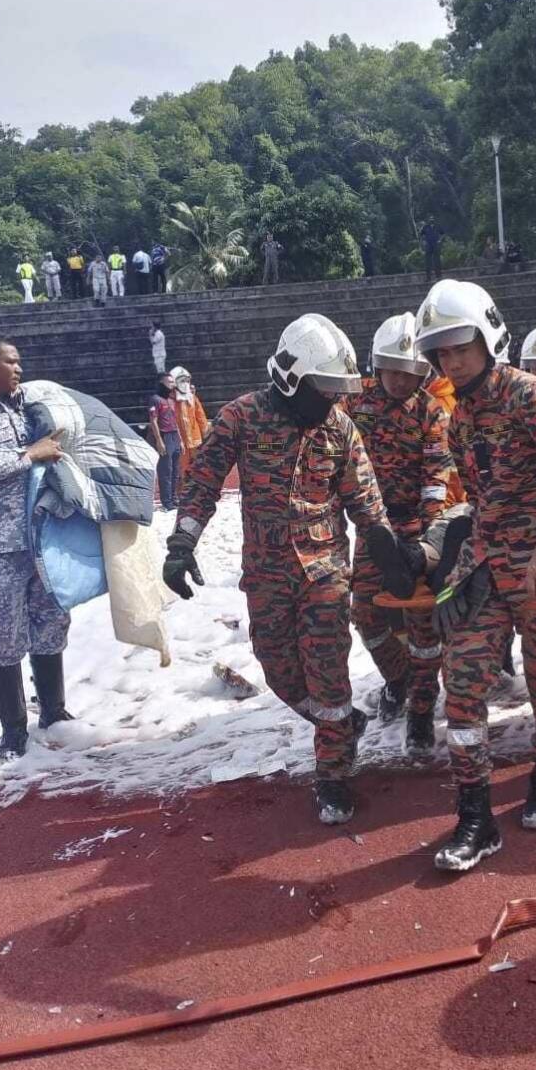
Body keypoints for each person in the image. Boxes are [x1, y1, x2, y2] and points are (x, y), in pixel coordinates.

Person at [163, 315, 388, 825]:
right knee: (278, 668)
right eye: (324, 387)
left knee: (328, 671)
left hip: (326, 569)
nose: (332, 398)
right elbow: (203, 481)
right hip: (266, 572)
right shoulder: (242, 417)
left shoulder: (340, 427)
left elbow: (367, 506)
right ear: (292, 377)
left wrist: (387, 556)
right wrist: (182, 542)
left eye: (337, 389)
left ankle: (333, 773)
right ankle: (342, 725)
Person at [412, 279, 536, 869]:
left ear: (489, 337)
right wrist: (449, 567)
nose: (452, 360)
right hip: (489, 569)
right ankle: (474, 817)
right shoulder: (459, 418)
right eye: (440, 352)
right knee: (462, 685)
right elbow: (479, 502)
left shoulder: (532, 396)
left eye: (460, 346)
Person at [347, 313, 453, 754]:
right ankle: (398, 677)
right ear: (377, 365)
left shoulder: (431, 411)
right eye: (392, 370)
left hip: (416, 531)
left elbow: (436, 473)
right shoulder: (354, 405)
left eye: (410, 373)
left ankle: (423, 712)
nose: (400, 380)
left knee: (424, 626)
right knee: (365, 613)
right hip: (372, 530)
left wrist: (426, 540)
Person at [0, 330, 72, 759]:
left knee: (50, 623)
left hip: (38, 539)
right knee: (5, 633)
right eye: (10, 361)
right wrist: (31, 453)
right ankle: (14, 731)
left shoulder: (22, 405)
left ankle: (55, 712)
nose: (19, 368)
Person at [148, 372, 182, 510]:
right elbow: (153, 421)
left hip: (174, 436)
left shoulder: (172, 401)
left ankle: (174, 498)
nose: (173, 385)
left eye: (173, 382)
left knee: (175, 470)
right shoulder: (155, 399)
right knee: (166, 471)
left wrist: (180, 440)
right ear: (162, 383)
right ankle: (166, 501)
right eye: (170, 382)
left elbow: (175, 421)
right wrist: (159, 440)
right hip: (164, 436)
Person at [169, 366, 210, 478]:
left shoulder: (192, 398)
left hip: (195, 441)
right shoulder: (170, 401)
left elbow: (201, 418)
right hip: (179, 444)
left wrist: (207, 436)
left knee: (199, 468)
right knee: (181, 471)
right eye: (182, 381)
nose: (185, 384)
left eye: (187, 380)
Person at [420, 218, 443, 282]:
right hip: (428, 246)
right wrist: (424, 241)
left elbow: (442, 233)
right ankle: (428, 278)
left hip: (435, 245)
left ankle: (438, 276)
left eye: (432, 219)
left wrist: (439, 240)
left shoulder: (437, 226)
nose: (431, 220)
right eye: (430, 219)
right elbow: (421, 234)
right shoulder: (425, 227)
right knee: (428, 262)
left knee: (437, 261)